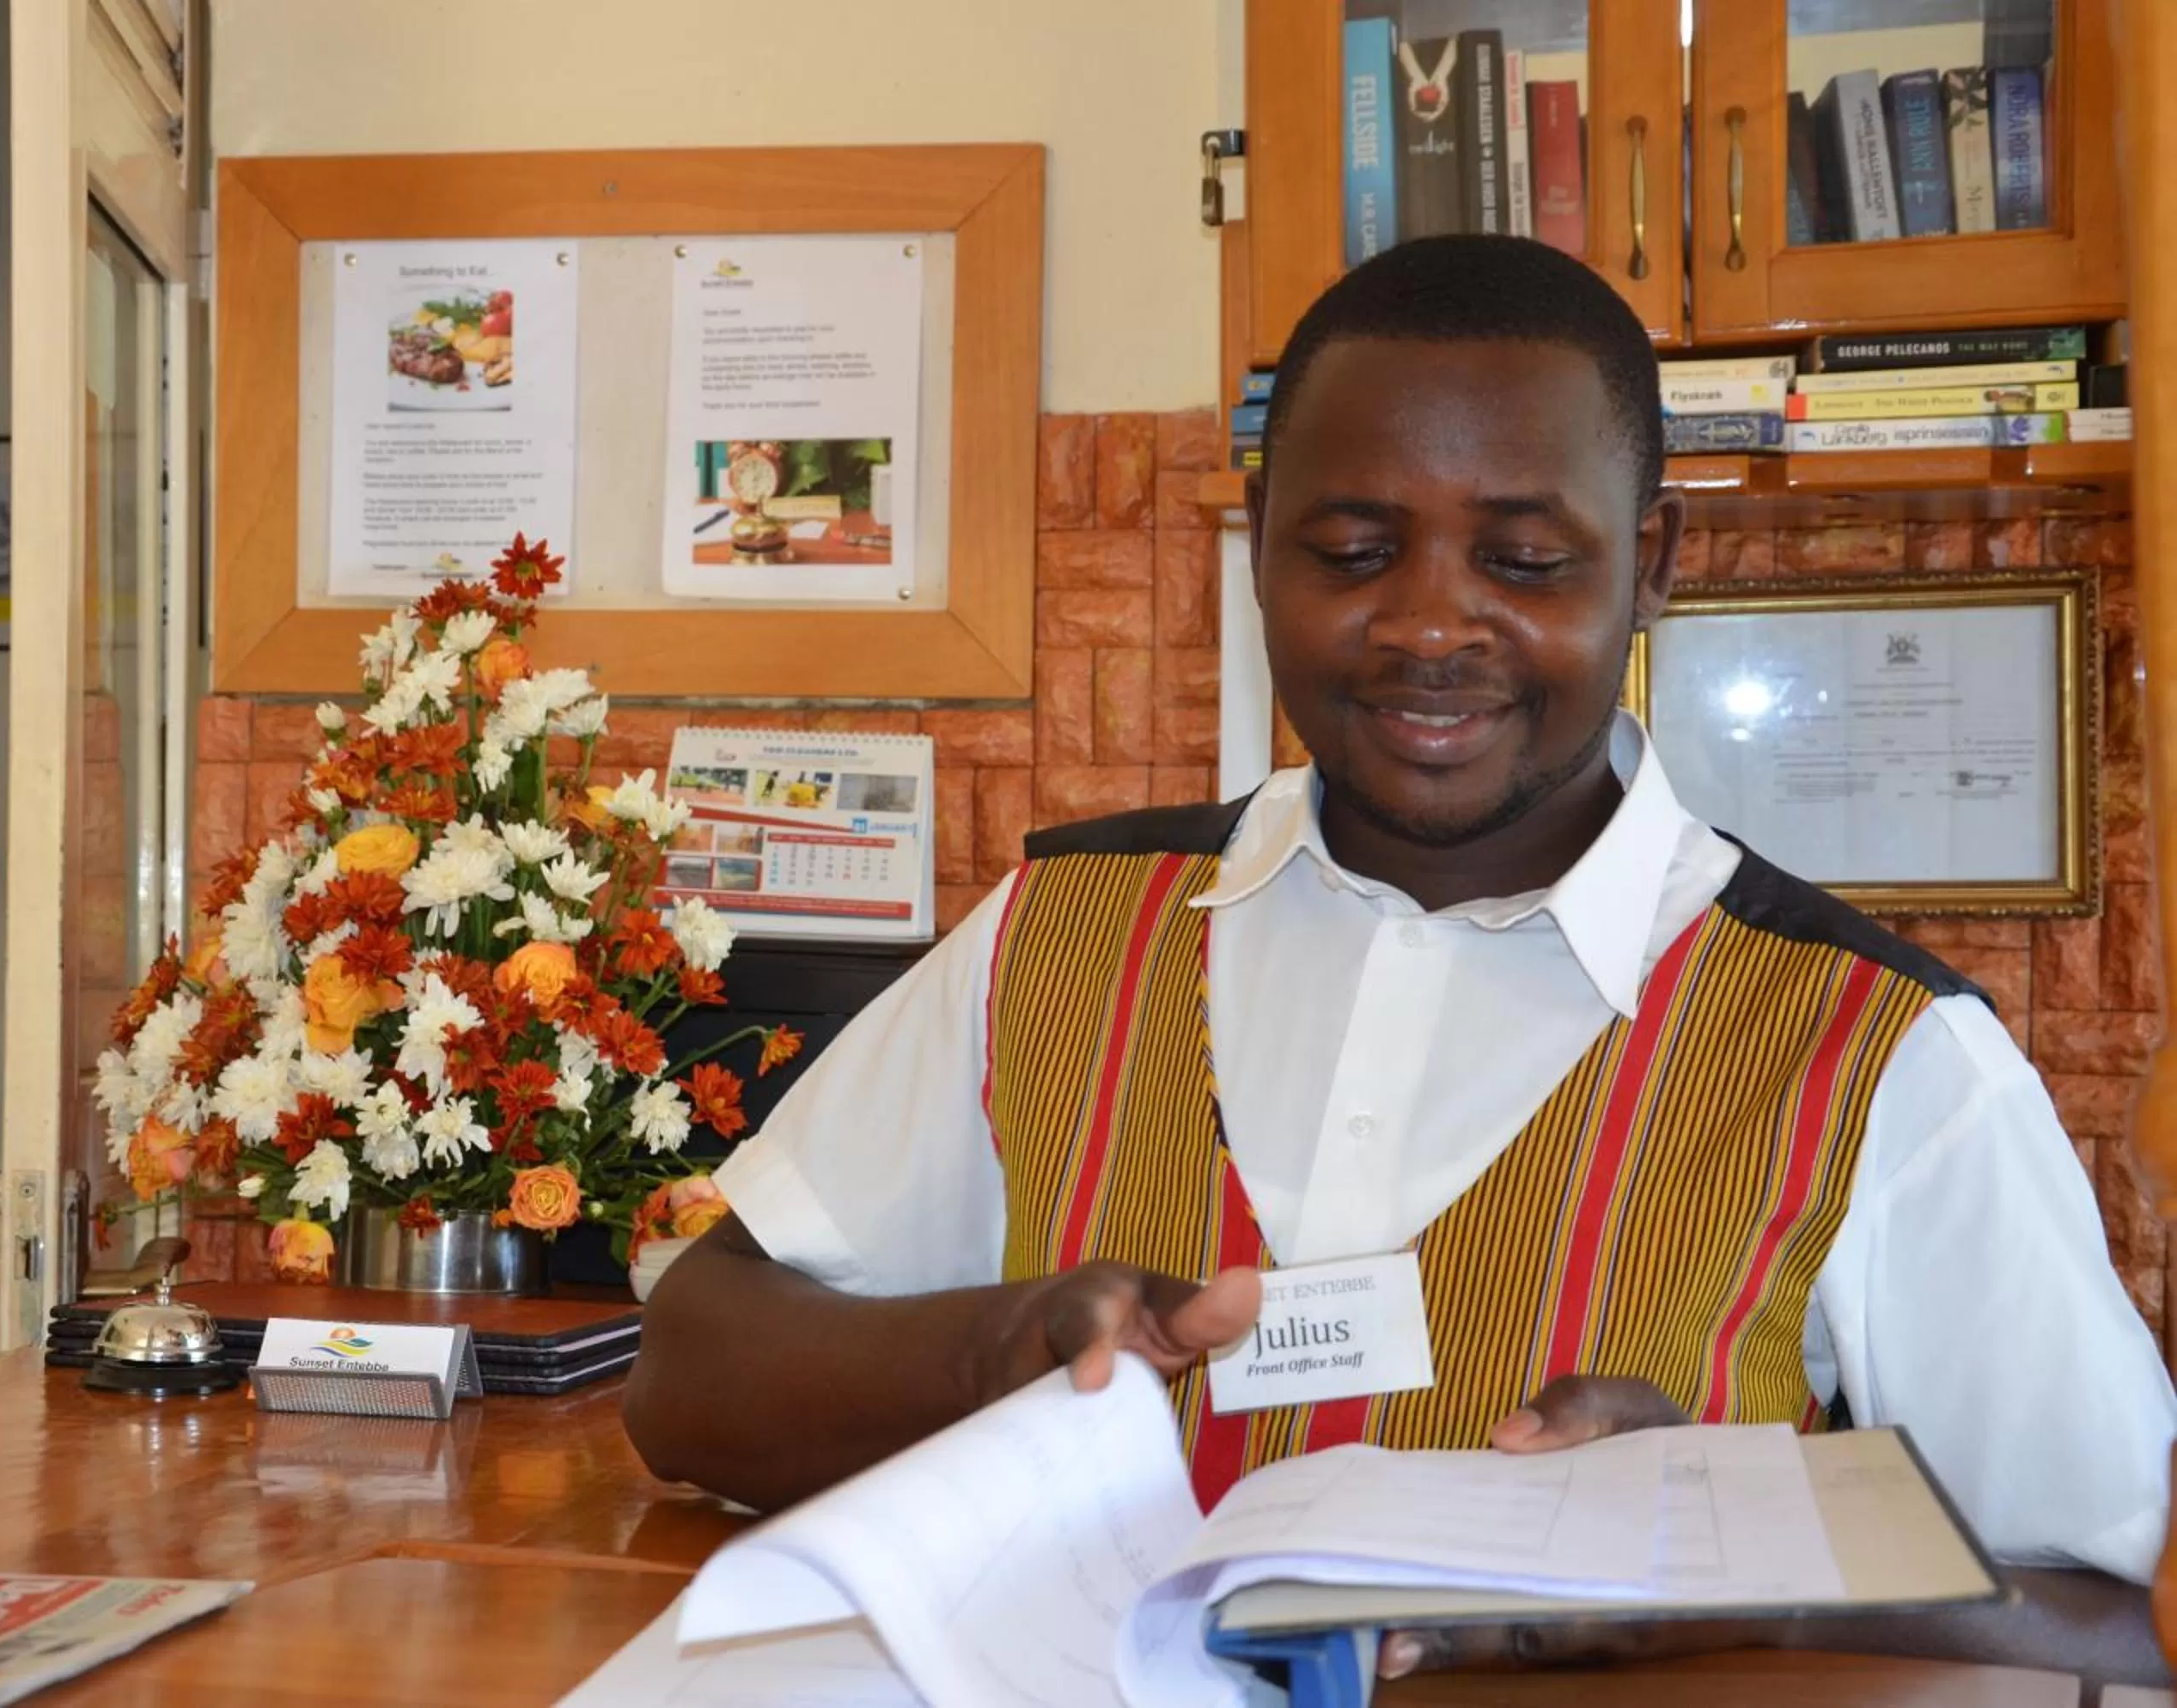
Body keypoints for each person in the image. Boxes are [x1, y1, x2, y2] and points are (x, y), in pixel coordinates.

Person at [624, 235, 2174, 1682]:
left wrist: (1730, 1561)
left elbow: (2124, 1620)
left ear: (1653, 563)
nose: (1431, 626)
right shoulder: (1064, 932)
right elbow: (689, 1373)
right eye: (1355, 549)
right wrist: (994, 1347)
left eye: (1526, 560)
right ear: (1258, 556)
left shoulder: (1885, 1050)